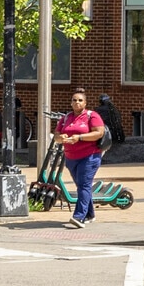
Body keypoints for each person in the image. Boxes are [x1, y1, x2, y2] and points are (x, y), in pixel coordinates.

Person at [55, 88, 109, 228]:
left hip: (89, 156)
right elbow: (56, 135)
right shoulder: (66, 118)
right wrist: (60, 138)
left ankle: (79, 216)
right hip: (71, 157)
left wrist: (79, 137)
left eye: (80, 100)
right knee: (81, 186)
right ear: (71, 103)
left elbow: (98, 133)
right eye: (74, 100)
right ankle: (90, 214)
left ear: (85, 103)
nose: (77, 103)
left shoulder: (92, 116)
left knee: (84, 185)